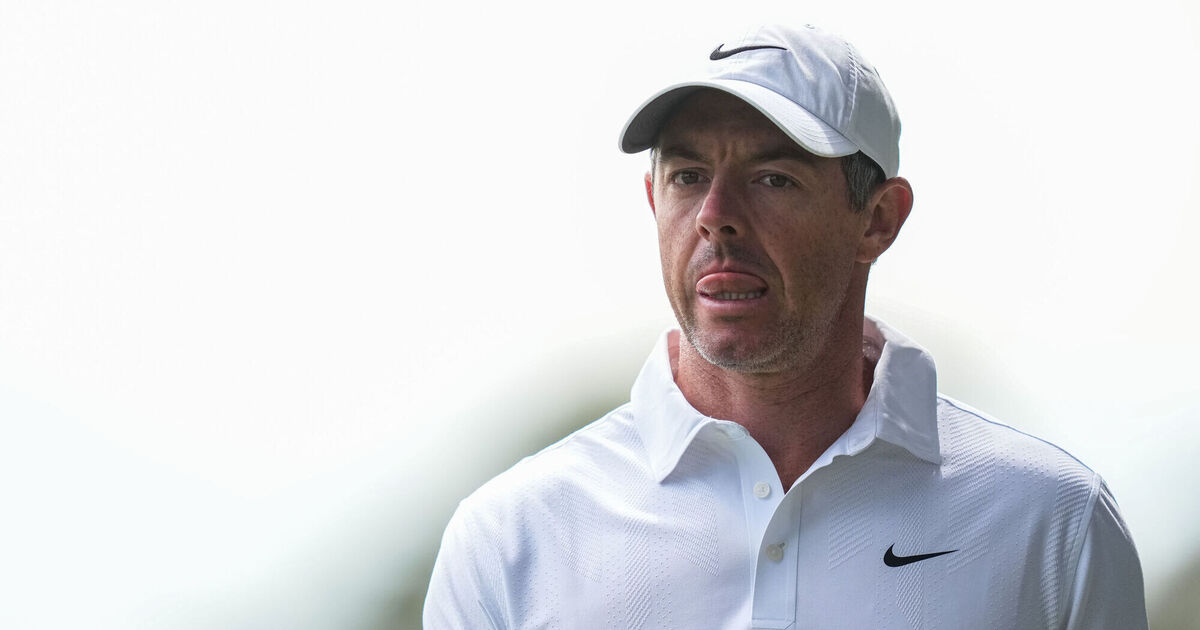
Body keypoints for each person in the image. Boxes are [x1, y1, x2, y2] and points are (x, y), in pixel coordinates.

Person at [423, 24, 1146, 629]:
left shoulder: (1052, 520)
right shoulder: (510, 539)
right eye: (687, 176)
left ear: (878, 219)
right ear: (653, 200)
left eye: (774, 178)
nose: (715, 217)